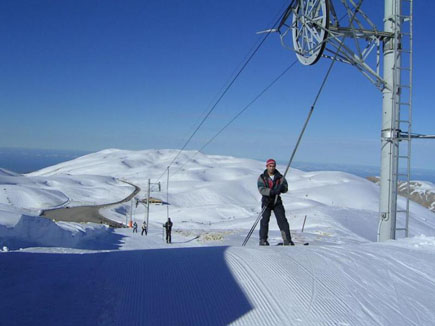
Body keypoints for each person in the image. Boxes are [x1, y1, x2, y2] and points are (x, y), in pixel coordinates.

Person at [257, 158, 294, 246]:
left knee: (282, 220)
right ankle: (263, 240)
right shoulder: (262, 177)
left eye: (273, 166)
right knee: (265, 221)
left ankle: (287, 240)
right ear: (267, 166)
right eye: (270, 166)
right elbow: (261, 189)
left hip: (277, 201)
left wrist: (281, 188)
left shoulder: (280, 177)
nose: (272, 168)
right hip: (267, 201)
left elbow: (285, 188)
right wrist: (271, 192)